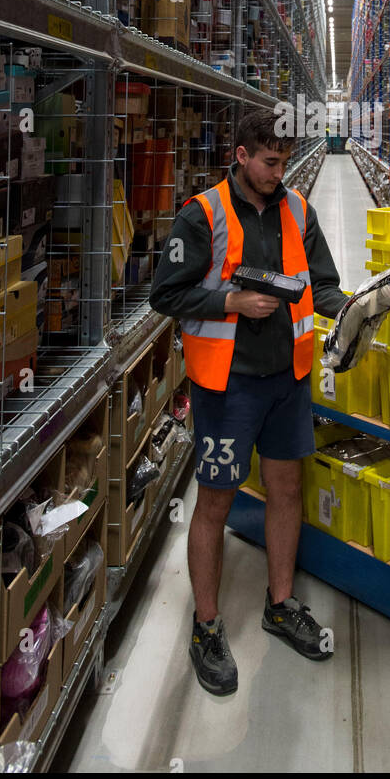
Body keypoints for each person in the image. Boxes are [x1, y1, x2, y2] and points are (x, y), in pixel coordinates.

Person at [149, 109, 348, 696]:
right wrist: (233, 303)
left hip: (288, 379)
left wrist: (358, 307)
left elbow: (324, 283)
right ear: (240, 156)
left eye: (284, 161)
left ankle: (280, 604)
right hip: (227, 385)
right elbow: (166, 293)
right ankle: (206, 626)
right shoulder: (201, 214)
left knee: (287, 489)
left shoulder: (298, 210)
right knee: (214, 502)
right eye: (269, 161)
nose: (278, 171)